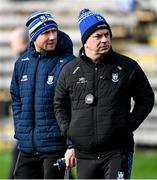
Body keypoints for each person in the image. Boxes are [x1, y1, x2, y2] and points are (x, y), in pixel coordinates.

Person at [54, 8, 154, 179]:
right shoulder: (70, 70)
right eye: (98, 36)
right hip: (84, 154)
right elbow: (59, 104)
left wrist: (128, 125)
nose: (105, 40)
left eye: (107, 35)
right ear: (85, 40)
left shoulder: (126, 66)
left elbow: (146, 98)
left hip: (117, 151)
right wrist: (69, 132)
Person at [10, 11, 75, 179]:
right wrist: (21, 130)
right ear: (34, 36)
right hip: (27, 147)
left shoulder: (68, 63)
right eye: (46, 33)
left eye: (54, 31)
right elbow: (17, 101)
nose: (52, 36)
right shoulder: (21, 63)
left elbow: (75, 105)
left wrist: (71, 144)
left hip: (55, 147)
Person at [9, 26, 29, 179]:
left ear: (21, 42)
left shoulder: (25, 62)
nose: (11, 45)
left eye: (13, 42)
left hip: (30, 125)